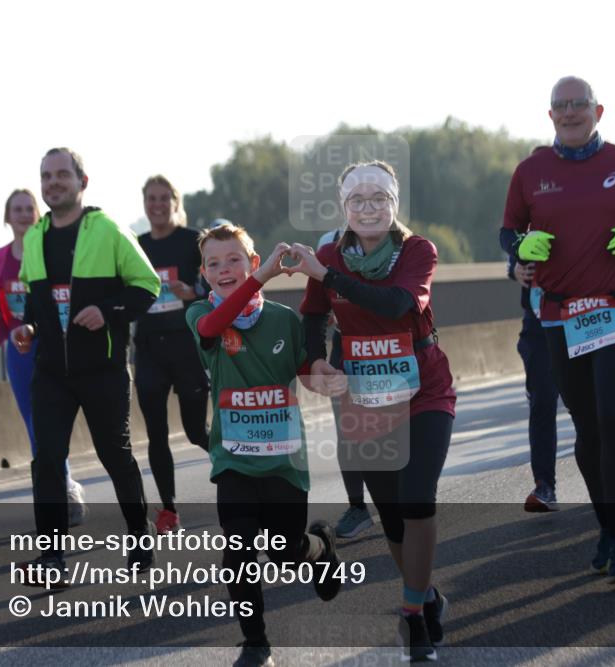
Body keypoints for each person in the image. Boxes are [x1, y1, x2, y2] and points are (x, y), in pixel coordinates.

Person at [500, 76, 615, 584]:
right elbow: (508, 230)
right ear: (550, 115)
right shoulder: (531, 170)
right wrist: (517, 251)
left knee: (611, 415)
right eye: (561, 106)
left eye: (579, 105)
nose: (571, 112)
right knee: (585, 425)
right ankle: (606, 525)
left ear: (599, 110)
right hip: (559, 314)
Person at [295, 160, 457, 662]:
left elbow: (395, 304)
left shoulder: (417, 250)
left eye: (378, 198)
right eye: (357, 200)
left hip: (424, 388)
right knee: (390, 513)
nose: (368, 207)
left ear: (394, 204)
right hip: (365, 395)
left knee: (416, 497)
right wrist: (316, 360)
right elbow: (313, 314)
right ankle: (424, 593)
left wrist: (324, 272)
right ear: (343, 209)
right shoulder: (330, 254)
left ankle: (411, 616)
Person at [186, 222, 340, 667]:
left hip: (283, 462)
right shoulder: (199, 315)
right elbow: (217, 324)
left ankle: (318, 548)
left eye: (235, 259)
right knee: (237, 551)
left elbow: (308, 372)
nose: (225, 269)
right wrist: (262, 277)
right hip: (233, 460)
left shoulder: (283, 320)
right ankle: (256, 643)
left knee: (284, 551)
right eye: (213, 263)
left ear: (251, 261)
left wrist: (325, 375)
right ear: (204, 274)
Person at [10, 147, 161, 583]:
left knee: (115, 456)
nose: (53, 182)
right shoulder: (36, 237)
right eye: (46, 176)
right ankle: (53, 559)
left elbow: (147, 286)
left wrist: (108, 311)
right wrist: (29, 329)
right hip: (52, 371)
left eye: (62, 174)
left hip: (102, 368)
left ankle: (138, 532)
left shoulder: (107, 229)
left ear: (82, 182)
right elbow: (37, 306)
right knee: (47, 460)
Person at [0, 189, 88, 526]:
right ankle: (64, 488)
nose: (24, 214)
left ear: (39, 215)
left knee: (53, 420)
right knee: (34, 424)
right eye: (18, 209)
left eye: (30, 208)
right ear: (7, 217)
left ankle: (62, 489)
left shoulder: (48, 250)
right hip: (20, 349)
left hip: (52, 343)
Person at [134, 175, 211, 535]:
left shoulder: (192, 241)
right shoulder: (136, 245)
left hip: (186, 345)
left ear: (175, 202)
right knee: (157, 434)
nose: (158, 204)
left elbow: (216, 284)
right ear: (144, 203)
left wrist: (192, 292)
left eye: (165, 198)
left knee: (196, 430)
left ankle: (243, 475)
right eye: (152, 198)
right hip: (149, 347)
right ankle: (168, 510)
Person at [317, 227, 374, 538]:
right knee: (347, 430)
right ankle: (357, 507)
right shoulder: (326, 252)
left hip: (384, 347)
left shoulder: (387, 250)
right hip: (343, 348)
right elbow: (316, 303)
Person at [509, 256, 563, 511]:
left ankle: (609, 486)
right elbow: (512, 240)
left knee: (593, 407)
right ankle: (545, 486)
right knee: (542, 403)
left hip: (585, 314)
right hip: (538, 324)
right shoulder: (529, 219)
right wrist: (515, 267)